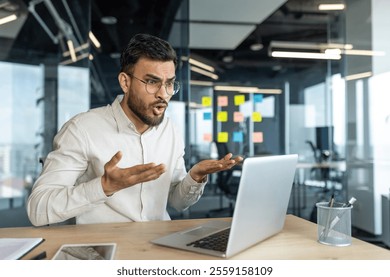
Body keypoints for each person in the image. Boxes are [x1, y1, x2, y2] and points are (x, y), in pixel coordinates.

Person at [27, 33, 242, 226]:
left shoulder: (170, 130)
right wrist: (104, 186)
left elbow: (177, 202)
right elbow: (38, 209)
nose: (163, 94)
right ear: (125, 82)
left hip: (158, 243)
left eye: (169, 84)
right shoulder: (82, 129)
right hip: (104, 250)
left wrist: (195, 177)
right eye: (152, 82)